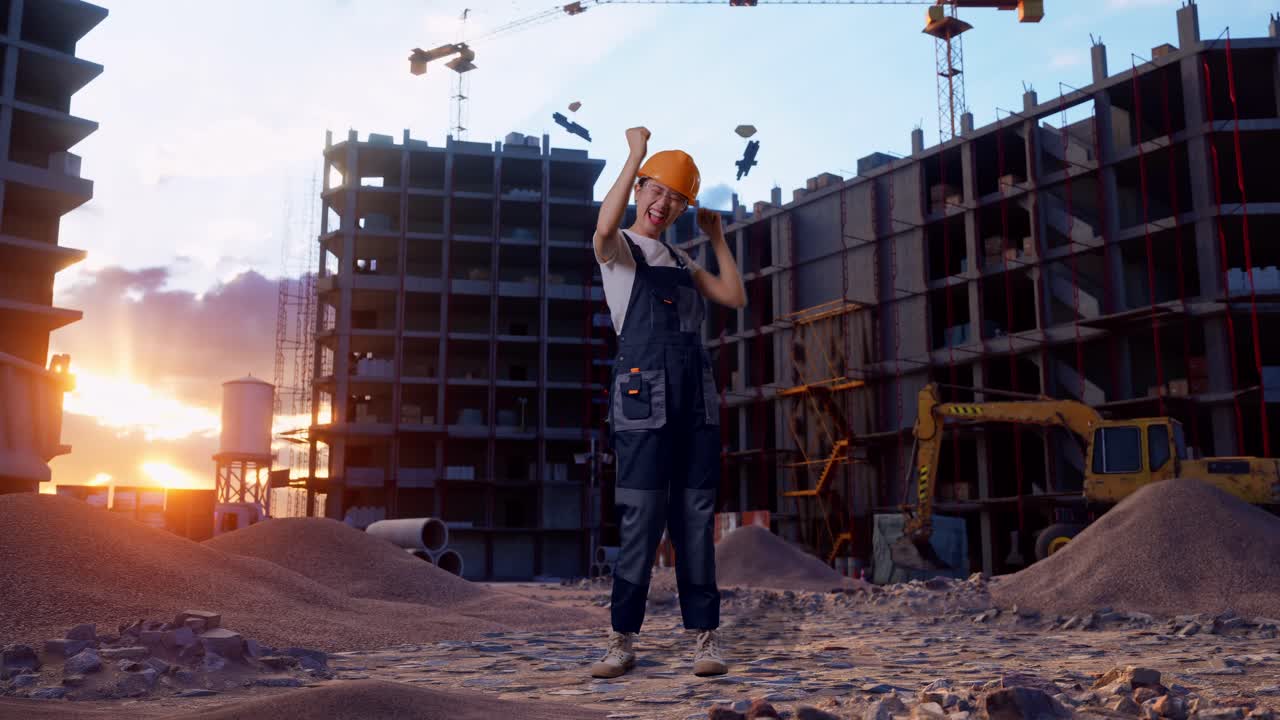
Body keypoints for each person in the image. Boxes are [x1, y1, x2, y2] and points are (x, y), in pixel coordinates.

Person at [589, 126, 747, 679]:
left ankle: (705, 639)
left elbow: (734, 296)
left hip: (694, 403)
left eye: (677, 197)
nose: (664, 204)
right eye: (656, 190)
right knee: (641, 519)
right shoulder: (619, 252)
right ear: (639, 189)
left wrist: (718, 237)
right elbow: (604, 224)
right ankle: (621, 639)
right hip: (641, 399)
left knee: (695, 521)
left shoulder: (682, 259)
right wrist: (633, 153)